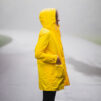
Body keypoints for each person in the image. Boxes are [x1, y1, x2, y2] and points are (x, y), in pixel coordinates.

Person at [35, 8, 70, 101]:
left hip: (52, 73)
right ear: (50, 18)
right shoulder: (46, 33)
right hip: (48, 75)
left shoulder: (54, 33)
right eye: (56, 17)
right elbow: (38, 53)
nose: (58, 19)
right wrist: (55, 59)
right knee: (48, 99)